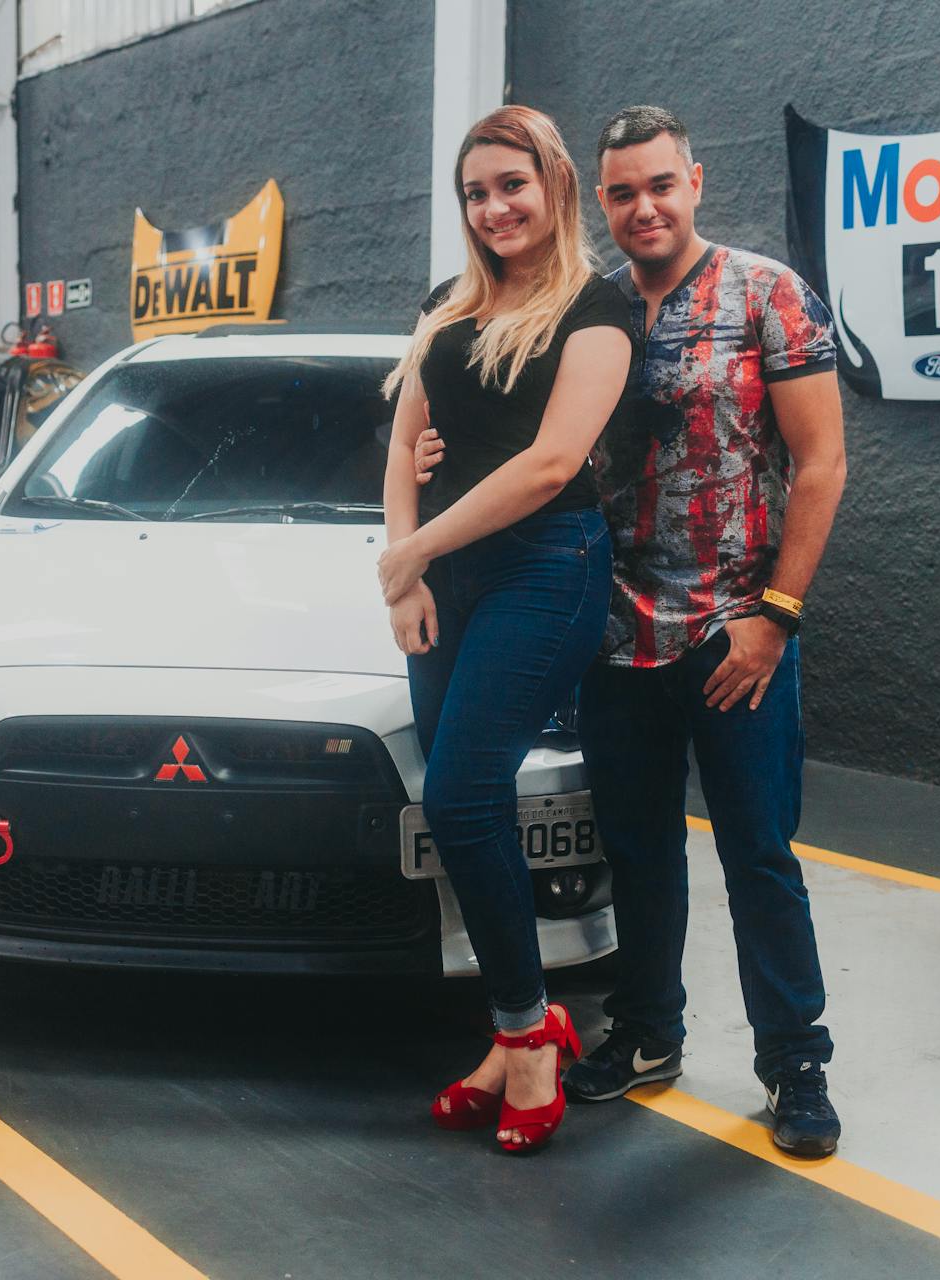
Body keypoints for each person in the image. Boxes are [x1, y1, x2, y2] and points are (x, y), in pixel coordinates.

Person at [415, 106, 849, 1157]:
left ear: (695, 180)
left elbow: (822, 462)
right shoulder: (574, 305)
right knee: (638, 849)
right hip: (610, 625)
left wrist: (776, 617)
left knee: (758, 852)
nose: (644, 206)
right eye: (623, 191)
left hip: (733, 629)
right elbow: (495, 432)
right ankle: (648, 1033)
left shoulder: (766, 293)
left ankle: (795, 1061)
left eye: (661, 183)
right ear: (594, 199)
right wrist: (434, 463)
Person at [379, 104, 632, 1153]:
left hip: (548, 568)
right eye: (477, 192)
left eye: (511, 185)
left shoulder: (598, 309)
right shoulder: (449, 304)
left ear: (556, 185)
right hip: (449, 575)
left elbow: (548, 466)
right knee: (462, 806)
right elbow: (405, 440)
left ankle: (530, 1039)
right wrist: (407, 567)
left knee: (462, 791)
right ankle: (517, 1025)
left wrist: (414, 547)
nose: (494, 208)